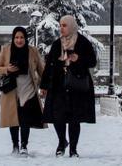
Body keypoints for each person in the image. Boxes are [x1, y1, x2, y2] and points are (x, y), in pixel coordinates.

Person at [39, 15, 97, 157]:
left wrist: (79, 59)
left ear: (71, 26)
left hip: (76, 85)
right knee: (58, 117)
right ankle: (61, 142)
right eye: (60, 25)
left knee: (74, 119)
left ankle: (73, 149)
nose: (61, 28)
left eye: (64, 25)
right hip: (58, 85)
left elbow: (92, 61)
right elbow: (49, 66)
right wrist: (44, 85)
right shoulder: (57, 44)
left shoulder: (83, 42)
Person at [0, 26, 44, 156]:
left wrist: (44, 85)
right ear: (13, 38)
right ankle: (15, 145)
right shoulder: (6, 50)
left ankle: (24, 146)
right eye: (16, 37)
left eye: (22, 37)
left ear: (25, 38)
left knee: (25, 119)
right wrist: (7, 69)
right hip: (12, 90)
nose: (19, 40)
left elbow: (41, 69)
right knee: (13, 119)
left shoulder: (32, 51)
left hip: (28, 88)